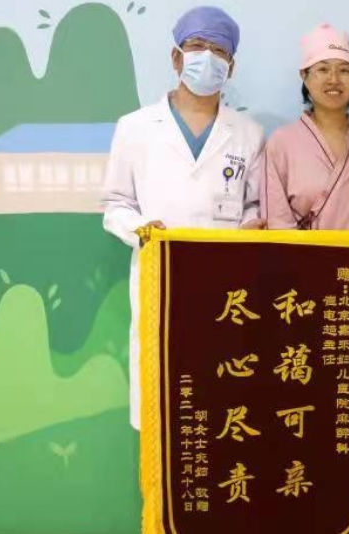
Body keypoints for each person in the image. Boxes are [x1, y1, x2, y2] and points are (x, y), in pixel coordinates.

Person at [101, 6, 265, 430]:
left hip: (228, 285)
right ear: (176, 57)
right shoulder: (135, 127)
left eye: (219, 51)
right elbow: (115, 203)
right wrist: (140, 230)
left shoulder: (249, 133)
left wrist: (250, 227)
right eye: (197, 46)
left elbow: (254, 205)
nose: (207, 58)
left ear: (231, 66)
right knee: (164, 404)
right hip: (161, 278)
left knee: (223, 407)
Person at [260, 23, 349, 230]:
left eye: (344, 70)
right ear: (304, 76)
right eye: (323, 69)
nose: (334, 79)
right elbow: (277, 222)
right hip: (302, 251)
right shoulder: (282, 143)